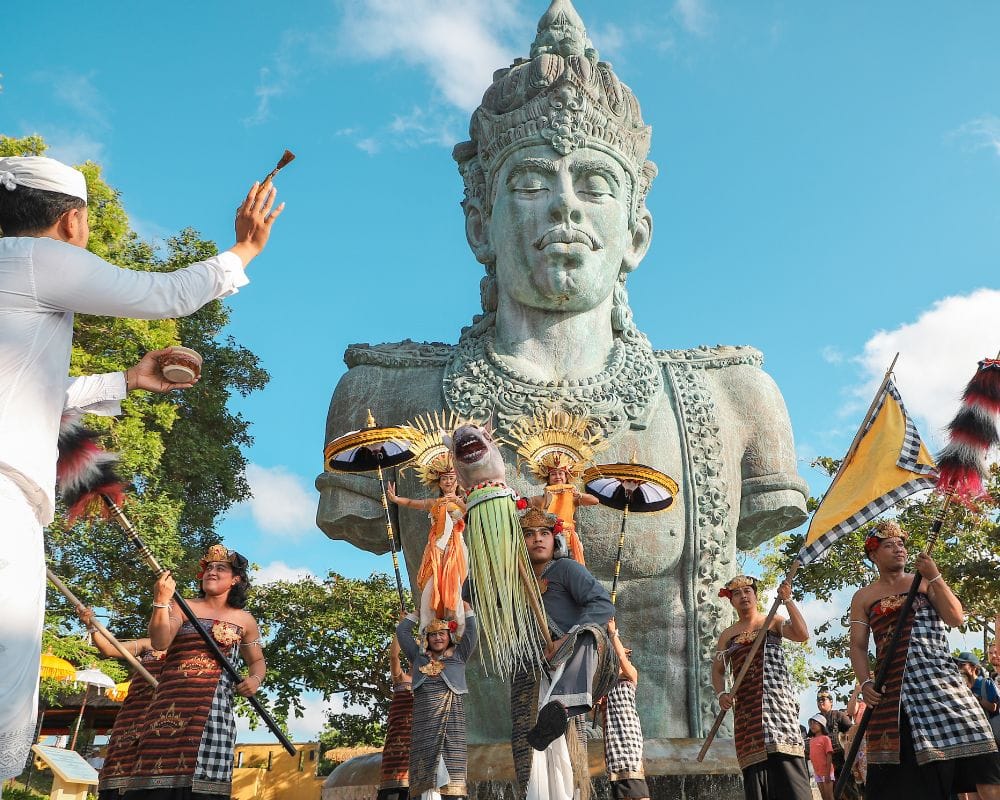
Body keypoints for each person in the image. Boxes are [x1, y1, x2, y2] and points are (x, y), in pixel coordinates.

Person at [316, 0, 809, 743]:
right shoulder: (382, 395)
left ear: (635, 233)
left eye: (595, 184)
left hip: (668, 752)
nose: (565, 208)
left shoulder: (733, 396)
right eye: (532, 181)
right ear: (480, 225)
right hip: (469, 755)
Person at [0, 154, 282, 780]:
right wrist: (243, 249)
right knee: (5, 678)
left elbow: (29, 393)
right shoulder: (34, 258)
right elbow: (163, 295)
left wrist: (123, 379)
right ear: (72, 222)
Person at [849, 520, 1000, 799]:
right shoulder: (863, 597)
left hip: (942, 683)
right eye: (889, 545)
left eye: (901, 543)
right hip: (894, 693)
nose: (899, 549)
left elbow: (955, 617)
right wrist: (866, 682)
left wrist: (935, 576)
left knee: (984, 758)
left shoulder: (924, 581)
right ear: (873, 554)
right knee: (909, 779)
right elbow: (857, 647)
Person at [122, 544, 265, 799]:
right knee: (154, 785)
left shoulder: (245, 620)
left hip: (214, 712)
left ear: (236, 580)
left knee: (204, 788)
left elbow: (257, 662)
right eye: (209, 567)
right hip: (169, 707)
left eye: (221, 568)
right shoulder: (181, 606)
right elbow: (160, 642)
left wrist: (254, 680)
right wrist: (161, 601)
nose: (212, 571)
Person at [511, 507, 618, 800]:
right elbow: (473, 592)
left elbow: (602, 605)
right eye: (529, 534)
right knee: (529, 752)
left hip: (569, 659)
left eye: (544, 533)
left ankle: (564, 704)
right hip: (530, 665)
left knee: (590, 632)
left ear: (554, 539)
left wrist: (566, 639)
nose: (537, 539)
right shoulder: (511, 578)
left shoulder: (567, 568)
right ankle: (552, 717)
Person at [712, 575, 811, 800]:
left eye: (747, 591)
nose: (743, 596)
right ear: (731, 601)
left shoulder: (773, 620)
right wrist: (721, 694)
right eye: (737, 593)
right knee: (757, 778)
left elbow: (802, 634)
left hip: (778, 709)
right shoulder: (727, 636)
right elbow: (717, 671)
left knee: (789, 769)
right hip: (748, 713)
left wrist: (788, 601)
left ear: (755, 595)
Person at [75, 605, 167, 799]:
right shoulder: (147, 644)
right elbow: (109, 649)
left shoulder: (190, 651)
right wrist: (91, 625)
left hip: (166, 715)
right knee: (123, 761)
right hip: (135, 711)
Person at [396, 603, 478, 800]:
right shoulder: (418, 658)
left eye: (442, 633)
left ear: (449, 636)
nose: (438, 637)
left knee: (453, 781)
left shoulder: (459, 656)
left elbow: (472, 633)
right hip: (425, 727)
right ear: (427, 638)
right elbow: (402, 631)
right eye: (433, 634)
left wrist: (466, 610)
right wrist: (420, 611)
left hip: (452, 726)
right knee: (423, 780)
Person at [387, 452, 468, 638]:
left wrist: (461, 504)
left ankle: (458, 627)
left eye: (451, 478)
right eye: (444, 479)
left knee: (454, 585)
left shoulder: (462, 502)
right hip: (435, 550)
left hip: (455, 549)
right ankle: (427, 628)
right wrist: (396, 499)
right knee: (430, 587)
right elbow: (412, 503)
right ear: (438, 482)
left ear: (457, 481)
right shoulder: (434, 502)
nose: (448, 482)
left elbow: (470, 513)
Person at [602, 617, 649, 800]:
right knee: (620, 788)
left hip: (628, 734)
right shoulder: (604, 685)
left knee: (635, 783)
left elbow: (620, 657)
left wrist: (613, 633)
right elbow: (596, 714)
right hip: (612, 738)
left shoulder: (631, 675)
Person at [378, 633, 413, 800]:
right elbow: (393, 656)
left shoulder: (431, 683)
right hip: (396, 749)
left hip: (418, 751)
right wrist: (401, 627)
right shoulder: (402, 679)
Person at [816, 688, 858, 799]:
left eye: (823, 699)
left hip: (843, 764)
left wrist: (843, 741)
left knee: (850, 794)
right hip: (825, 767)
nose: (820, 701)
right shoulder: (815, 720)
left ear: (831, 702)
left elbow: (853, 732)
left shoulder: (839, 715)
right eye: (818, 700)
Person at [808, 714, 835, 800]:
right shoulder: (811, 740)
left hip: (826, 772)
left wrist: (827, 774)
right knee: (823, 797)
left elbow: (829, 755)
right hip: (817, 773)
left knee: (829, 797)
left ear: (821, 724)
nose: (812, 725)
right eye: (810, 723)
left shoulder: (825, 738)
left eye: (815, 723)